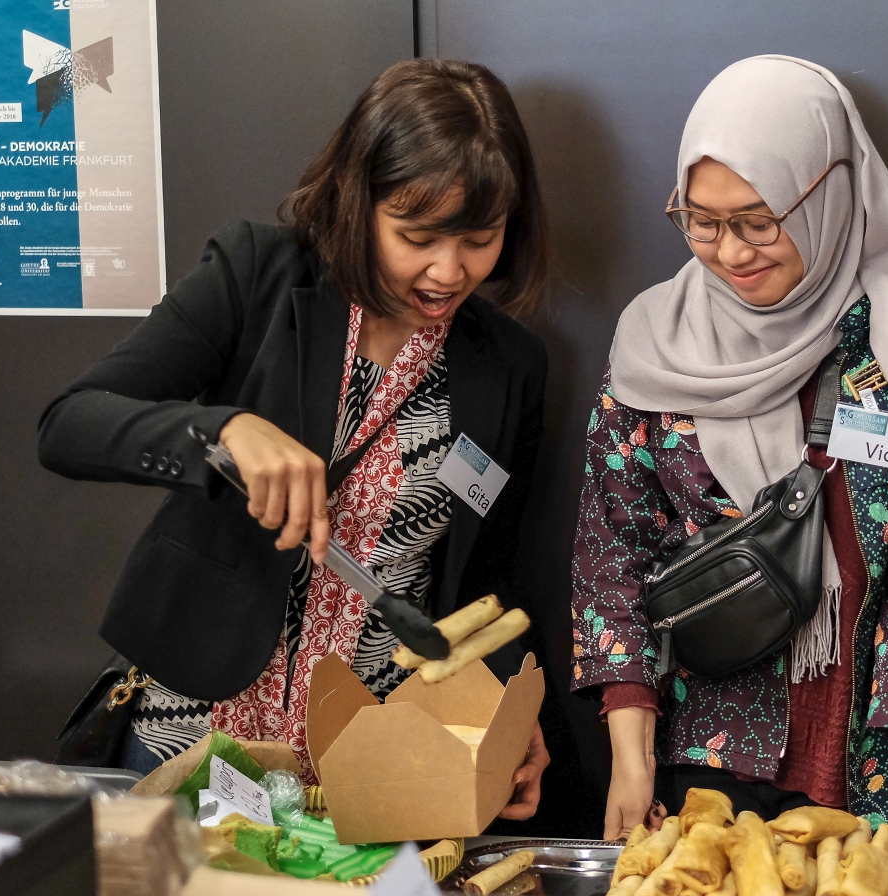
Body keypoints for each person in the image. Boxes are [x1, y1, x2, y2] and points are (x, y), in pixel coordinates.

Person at [39, 59, 550, 820]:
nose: (448, 271)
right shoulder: (258, 275)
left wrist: (505, 710)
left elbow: (486, 579)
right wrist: (223, 429)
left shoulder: (507, 365)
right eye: (416, 237)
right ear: (358, 200)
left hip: (371, 753)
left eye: (480, 239)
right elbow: (68, 424)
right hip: (197, 727)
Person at [570, 55, 888, 895]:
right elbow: (613, 553)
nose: (730, 252)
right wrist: (630, 754)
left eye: (758, 221)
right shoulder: (657, 345)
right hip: (707, 770)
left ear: (830, 192)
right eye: (701, 222)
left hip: (880, 771)